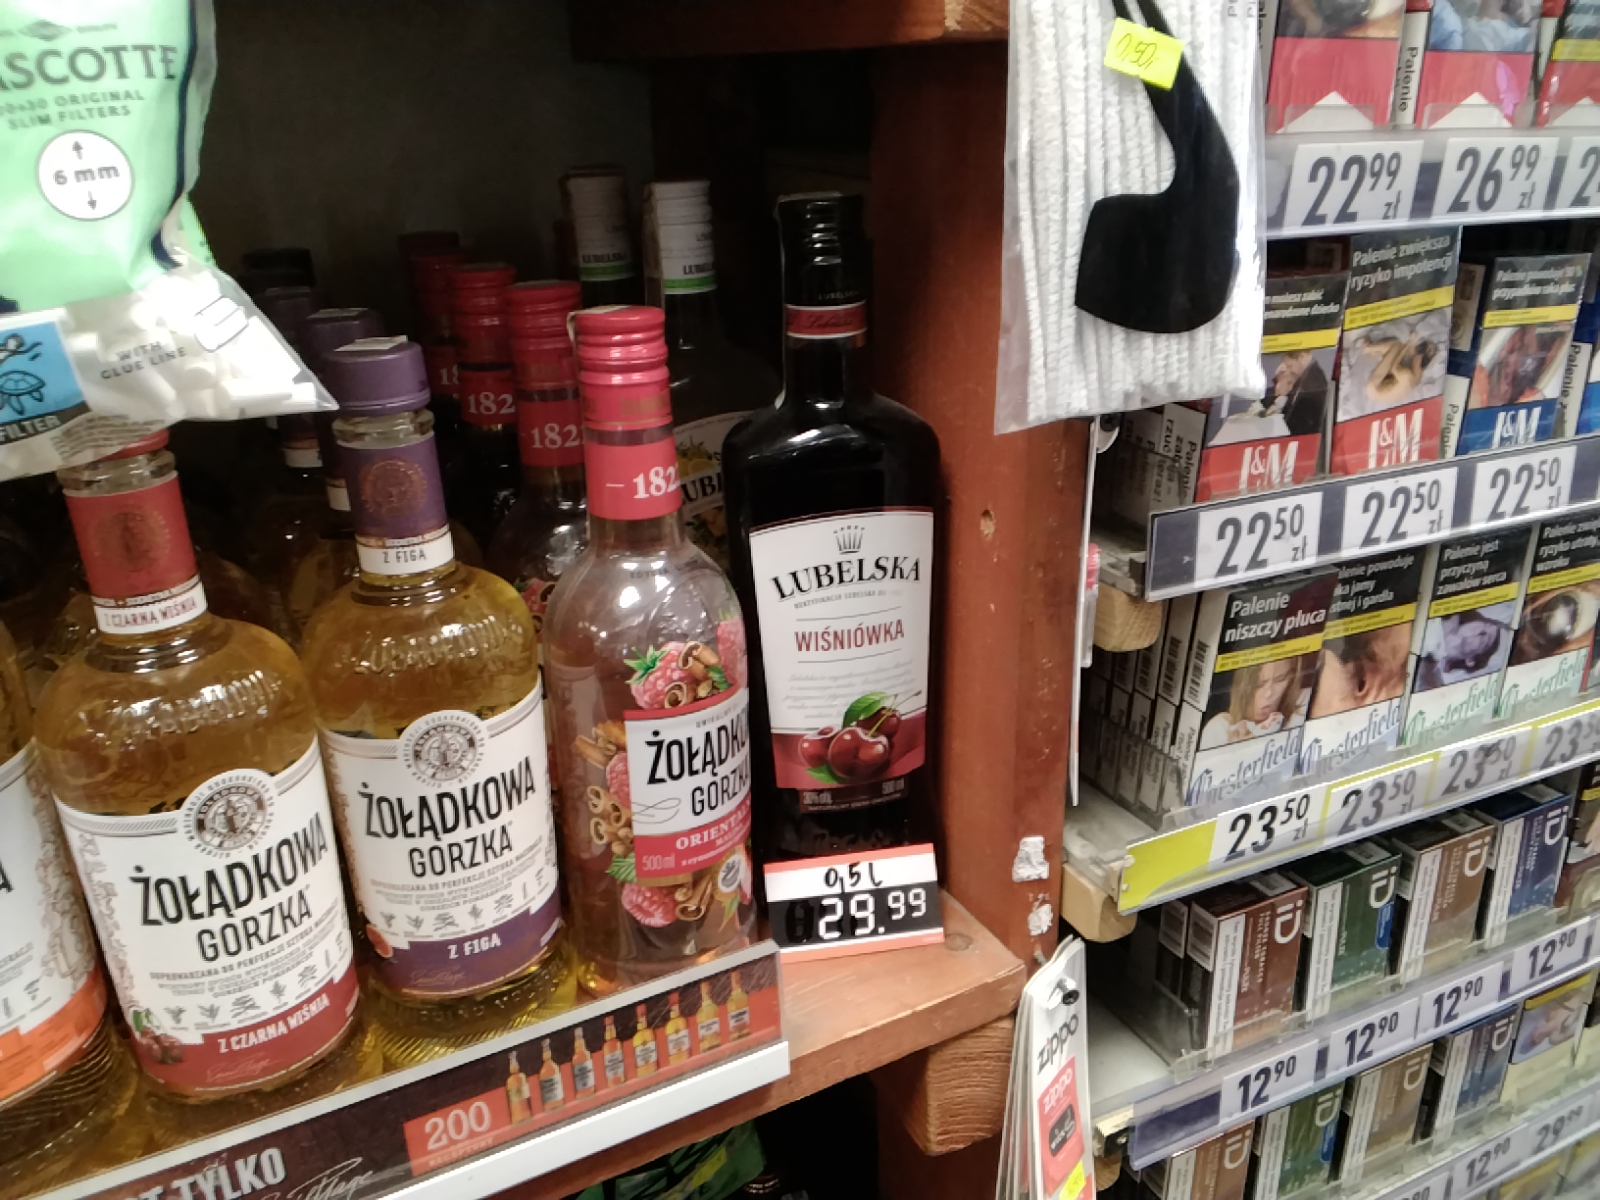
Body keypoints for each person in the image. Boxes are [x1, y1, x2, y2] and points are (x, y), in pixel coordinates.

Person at [1198, 655, 1312, 750]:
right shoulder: (1220, 729)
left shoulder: (1302, 705)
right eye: (1259, 684)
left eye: (1280, 679)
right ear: (1243, 686)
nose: (1268, 693)